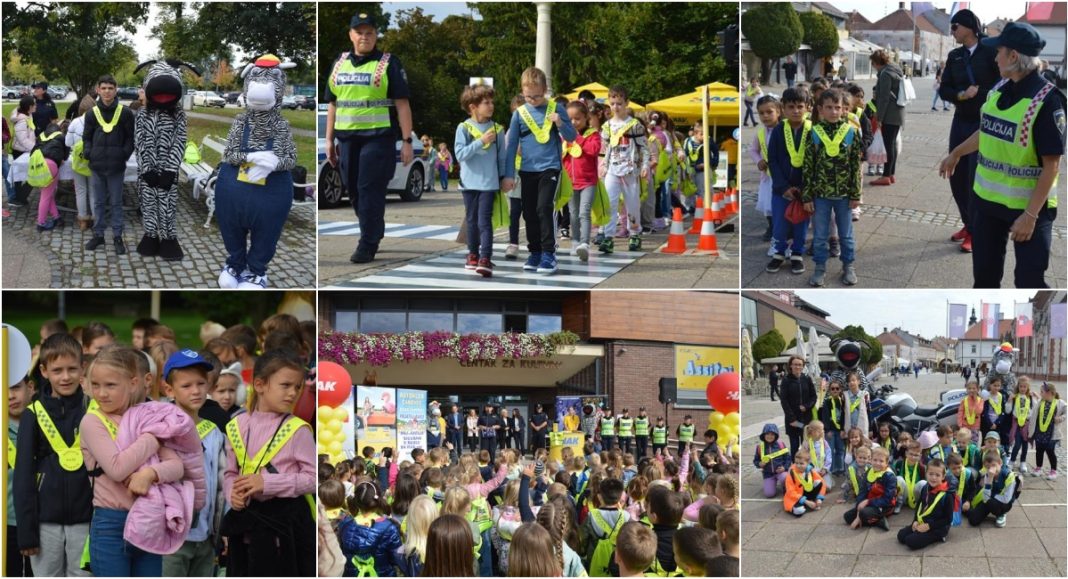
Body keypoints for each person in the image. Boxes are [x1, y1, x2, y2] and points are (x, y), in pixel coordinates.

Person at [940, 22, 1065, 289]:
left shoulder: (1047, 101)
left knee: (1030, 283)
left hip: (1029, 208)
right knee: (984, 280)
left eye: (999, 52)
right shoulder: (998, 90)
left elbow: (1052, 166)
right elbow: (986, 131)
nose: (994, 57)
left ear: (1013, 57)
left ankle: (1053, 328)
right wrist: (956, 153)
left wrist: (1030, 216)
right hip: (987, 205)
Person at [81, 347, 200, 577]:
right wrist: (152, 439)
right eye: (95, 385)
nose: (102, 393)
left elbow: (177, 467)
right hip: (110, 524)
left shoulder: (145, 415)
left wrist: (150, 474)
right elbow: (117, 469)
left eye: (110, 385)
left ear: (133, 383)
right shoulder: (92, 421)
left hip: (150, 519)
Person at [325, 12, 414, 264]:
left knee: (369, 189)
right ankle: (374, 226)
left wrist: (407, 142)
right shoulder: (339, 63)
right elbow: (333, 104)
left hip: (378, 137)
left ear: (376, 35)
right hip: (347, 139)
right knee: (352, 190)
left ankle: (368, 243)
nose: (364, 37)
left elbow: (402, 104)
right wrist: (329, 140)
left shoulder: (389, 63)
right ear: (351, 35)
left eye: (369, 33)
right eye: (360, 32)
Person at [221, 349, 316, 576]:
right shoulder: (235, 425)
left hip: (285, 529)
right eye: (285, 385)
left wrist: (268, 483)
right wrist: (231, 494)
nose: (292, 393)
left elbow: (313, 479)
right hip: (245, 525)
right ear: (260, 385)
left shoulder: (297, 429)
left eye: (297, 387)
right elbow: (229, 473)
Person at [215, 55, 298, 287]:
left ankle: (257, 270)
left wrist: (274, 163)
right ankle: (235, 264)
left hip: (271, 191)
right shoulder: (240, 122)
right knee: (231, 227)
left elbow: (291, 158)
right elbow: (229, 154)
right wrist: (250, 157)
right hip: (235, 188)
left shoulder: (281, 126)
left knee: (266, 232)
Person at [15, 333, 92, 577]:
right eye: (58, 370)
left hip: (86, 519)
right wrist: (26, 531)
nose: (66, 377)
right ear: (44, 371)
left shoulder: (94, 408)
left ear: (83, 368)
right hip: (44, 522)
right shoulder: (32, 414)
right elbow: (23, 475)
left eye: (72, 369)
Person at [502, 67, 578, 274]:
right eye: (528, 96)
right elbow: (510, 147)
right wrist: (508, 175)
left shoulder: (555, 108)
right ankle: (534, 252)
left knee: (544, 208)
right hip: (527, 170)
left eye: (537, 96)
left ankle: (548, 254)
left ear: (545, 89)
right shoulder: (519, 114)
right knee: (529, 213)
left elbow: (572, 137)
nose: (533, 100)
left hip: (550, 168)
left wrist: (560, 123)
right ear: (522, 91)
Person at [161, 350, 227, 577]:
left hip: (205, 536)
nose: (196, 391)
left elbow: (221, 483)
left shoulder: (214, 432)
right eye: (187, 386)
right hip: (169, 537)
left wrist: (221, 529)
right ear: (169, 390)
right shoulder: (161, 429)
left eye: (201, 383)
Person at [940, 10, 1001, 253]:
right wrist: (960, 95)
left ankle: (977, 231)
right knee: (956, 175)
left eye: (954, 27)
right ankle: (967, 223)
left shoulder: (991, 53)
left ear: (967, 28)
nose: (952, 32)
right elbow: (945, 88)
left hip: (983, 123)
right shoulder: (955, 56)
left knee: (976, 178)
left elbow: (1003, 84)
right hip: (960, 121)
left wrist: (983, 95)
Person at [803, 88, 862, 286]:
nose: (834, 112)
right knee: (820, 236)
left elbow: (856, 167)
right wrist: (807, 196)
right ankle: (820, 268)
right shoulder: (813, 133)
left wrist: (856, 195)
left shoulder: (851, 133)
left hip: (845, 195)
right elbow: (808, 166)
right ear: (820, 109)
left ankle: (848, 266)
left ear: (845, 109)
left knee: (846, 235)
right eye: (829, 107)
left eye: (838, 108)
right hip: (820, 195)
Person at [455, 83, 506, 277]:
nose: (491, 106)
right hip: (469, 184)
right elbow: (460, 154)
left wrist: (505, 177)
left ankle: (485, 257)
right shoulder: (464, 128)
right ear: (472, 107)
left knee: (484, 221)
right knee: (471, 220)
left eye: (492, 102)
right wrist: (481, 141)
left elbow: (502, 157)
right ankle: (472, 254)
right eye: (486, 102)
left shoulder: (497, 129)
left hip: (489, 184)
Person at [81, 74, 136, 255]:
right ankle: (98, 235)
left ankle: (117, 236)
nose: (106, 91)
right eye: (103, 88)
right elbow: (86, 137)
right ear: (98, 90)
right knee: (98, 203)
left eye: (110, 88)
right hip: (97, 165)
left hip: (116, 166)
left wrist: (123, 155)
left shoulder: (125, 112)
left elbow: (130, 138)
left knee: (116, 203)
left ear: (116, 90)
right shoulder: (91, 113)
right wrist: (89, 153)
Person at [596, 85, 649, 254]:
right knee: (610, 204)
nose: (615, 107)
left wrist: (645, 165)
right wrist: (603, 165)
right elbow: (604, 150)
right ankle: (608, 237)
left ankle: (634, 234)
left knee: (632, 205)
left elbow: (644, 148)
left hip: (631, 171)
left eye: (619, 103)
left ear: (626, 103)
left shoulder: (634, 126)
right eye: (612, 104)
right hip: (612, 171)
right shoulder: (607, 127)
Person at [765, 87, 812, 275]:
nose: (796, 111)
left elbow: (814, 162)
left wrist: (804, 188)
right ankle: (779, 253)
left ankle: (797, 253)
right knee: (779, 224)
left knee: (801, 224)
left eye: (800, 106)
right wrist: (783, 186)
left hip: (804, 190)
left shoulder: (812, 130)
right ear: (783, 108)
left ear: (808, 107)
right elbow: (773, 160)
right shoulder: (778, 131)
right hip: (781, 190)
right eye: (791, 107)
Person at [563, 100, 602, 262]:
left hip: (588, 182)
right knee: (573, 214)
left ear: (586, 118)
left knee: (584, 212)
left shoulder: (593, 134)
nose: (573, 122)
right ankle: (575, 241)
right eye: (570, 119)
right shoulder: (564, 136)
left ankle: (585, 244)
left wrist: (577, 139)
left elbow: (594, 150)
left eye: (577, 118)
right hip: (571, 182)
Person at [338, 479, 404, 577]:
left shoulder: (345, 524)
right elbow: (397, 558)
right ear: (378, 500)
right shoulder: (389, 527)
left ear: (356, 500)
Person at [6, 376, 34, 577]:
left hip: (40, 521)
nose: (9, 396)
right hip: (7, 522)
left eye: (15, 388)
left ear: (30, 387)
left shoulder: (45, 424)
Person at [896, 457, 953, 549]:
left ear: (943, 476)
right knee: (901, 536)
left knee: (910, 541)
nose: (933, 478)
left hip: (937, 526)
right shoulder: (925, 487)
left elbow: (948, 519)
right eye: (931, 474)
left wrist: (929, 526)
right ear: (926, 474)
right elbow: (919, 505)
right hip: (923, 520)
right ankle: (919, 532)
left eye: (937, 475)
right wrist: (915, 521)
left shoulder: (947, 495)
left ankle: (938, 537)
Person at [868, 50, 905, 187]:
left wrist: (879, 117)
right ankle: (891, 174)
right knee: (892, 145)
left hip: (889, 114)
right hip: (898, 112)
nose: (873, 66)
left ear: (877, 62)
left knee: (888, 145)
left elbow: (883, 98)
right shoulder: (895, 69)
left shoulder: (885, 74)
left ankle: (885, 176)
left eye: (873, 63)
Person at [845, 445, 897, 531]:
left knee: (864, 514)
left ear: (886, 463)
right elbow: (862, 491)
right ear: (871, 460)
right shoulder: (869, 471)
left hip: (885, 505)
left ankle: (879, 518)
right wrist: (859, 507)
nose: (877, 463)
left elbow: (887, 499)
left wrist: (867, 502)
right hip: (870, 503)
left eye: (881, 461)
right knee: (847, 517)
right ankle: (875, 520)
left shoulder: (889, 476)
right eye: (875, 460)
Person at [65, 94, 98, 230]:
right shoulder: (100, 122)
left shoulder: (75, 122)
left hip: (78, 161)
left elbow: (67, 142)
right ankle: (96, 219)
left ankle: (83, 219)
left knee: (80, 191)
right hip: (94, 160)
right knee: (94, 191)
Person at [32, 108, 68, 232]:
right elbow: (65, 156)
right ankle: (41, 223)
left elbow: (33, 152)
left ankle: (57, 217)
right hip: (51, 165)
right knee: (46, 196)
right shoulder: (61, 137)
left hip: (38, 165)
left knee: (47, 194)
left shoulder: (41, 136)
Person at [966, 451, 1019, 527]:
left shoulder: (1008, 476)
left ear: (1000, 463)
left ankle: (1001, 514)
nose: (991, 469)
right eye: (988, 467)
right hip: (990, 500)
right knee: (973, 520)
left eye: (994, 465)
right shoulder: (988, 475)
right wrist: (990, 479)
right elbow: (985, 497)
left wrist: (991, 495)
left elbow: (1006, 499)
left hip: (1003, 504)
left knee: (990, 502)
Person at [779, 355, 816, 458]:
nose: (797, 367)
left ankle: (807, 467)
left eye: (800, 365)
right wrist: (792, 419)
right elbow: (784, 400)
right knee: (794, 446)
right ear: (791, 366)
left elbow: (814, 397)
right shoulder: (786, 380)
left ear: (803, 366)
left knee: (807, 445)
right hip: (793, 421)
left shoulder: (807, 379)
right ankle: (795, 468)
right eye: (795, 364)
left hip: (806, 419)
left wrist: (806, 406)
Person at [1030, 381, 1064, 479]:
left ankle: (1053, 471)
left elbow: (1066, 413)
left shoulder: (1060, 403)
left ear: (1049, 393)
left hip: (1051, 433)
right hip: (1040, 432)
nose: (1041, 394)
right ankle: (1038, 468)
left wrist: (1060, 418)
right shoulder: (1041, 402)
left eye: (1042, 392)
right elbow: (1035, 413)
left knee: (1050, 451)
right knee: (1039, 451)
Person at [9, 95, 37, 207]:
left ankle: (20, 197)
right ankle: (18, 198)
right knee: (21, 175)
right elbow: (23, 139)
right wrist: (35, 148)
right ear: (29, 107)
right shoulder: (22, 120)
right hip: (20, 150)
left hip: (25, 149)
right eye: (34, 104)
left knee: (22, 175)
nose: (36, 106)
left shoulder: (28, 115)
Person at [1008, 375, 1037, 473]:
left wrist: (1037, 398)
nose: (1023, 389)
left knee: (1025, 445)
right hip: (1016, 424)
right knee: (1017, 444)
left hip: (1027, 424)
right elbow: (1008, 410)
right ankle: (1012, 461)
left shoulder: (1030, 397)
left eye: (1025, 387)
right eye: (1021, 386)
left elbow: (1035, 410)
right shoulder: (1015, 397)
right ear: (1018, 386)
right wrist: (1009, 400)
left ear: (1028, 387)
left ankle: (1023, 462)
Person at [784, 448, 824, 517]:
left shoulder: (810, 470)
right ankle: (806, 503)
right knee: (799, 511)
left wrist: (819, 498)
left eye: (801, 463)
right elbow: (790, 491)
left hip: (806, 493)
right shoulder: (791, 473)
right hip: (795, 497)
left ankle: (813, 500)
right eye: (796, 463)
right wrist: (806, 501)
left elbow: (823, 483)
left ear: (808, 463)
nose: (798, 466)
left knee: (819, 482)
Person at [754, 423, 790, 498]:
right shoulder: (760, 447)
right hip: (768, 474)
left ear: (776, 435)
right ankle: (772, 483)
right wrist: (759, 464)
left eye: (772, 434)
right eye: (767, 434)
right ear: (764, 435)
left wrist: (784, 468)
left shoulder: (781, 444)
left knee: (784, 478)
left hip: (781, 472)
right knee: (769, 494)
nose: (769, 436)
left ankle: (785, 485)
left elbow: (788, 458)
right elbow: (756, 460)